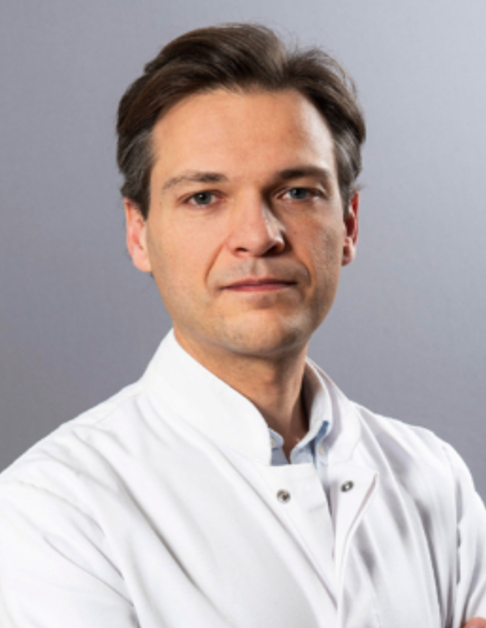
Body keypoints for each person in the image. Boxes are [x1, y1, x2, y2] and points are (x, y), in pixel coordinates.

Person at [0, 22, 485, 628]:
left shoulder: (434, 477)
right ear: (138, 232)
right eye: (204, 197)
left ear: (349, 225)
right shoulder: (53, 511)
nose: (258, 236)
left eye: (297, 192)